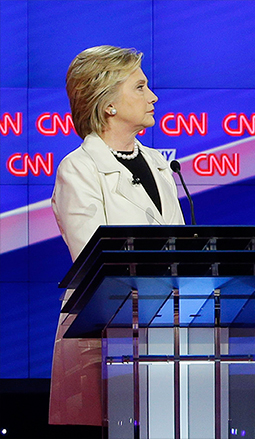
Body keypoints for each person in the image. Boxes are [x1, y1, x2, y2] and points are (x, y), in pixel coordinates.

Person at [49, 45, 184, 425]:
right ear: (108, 104)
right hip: (109, 339)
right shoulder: (79, 169)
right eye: (140, 87)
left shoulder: (160, 164)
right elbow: (94, 262)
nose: (153, 96)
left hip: (167, 336)